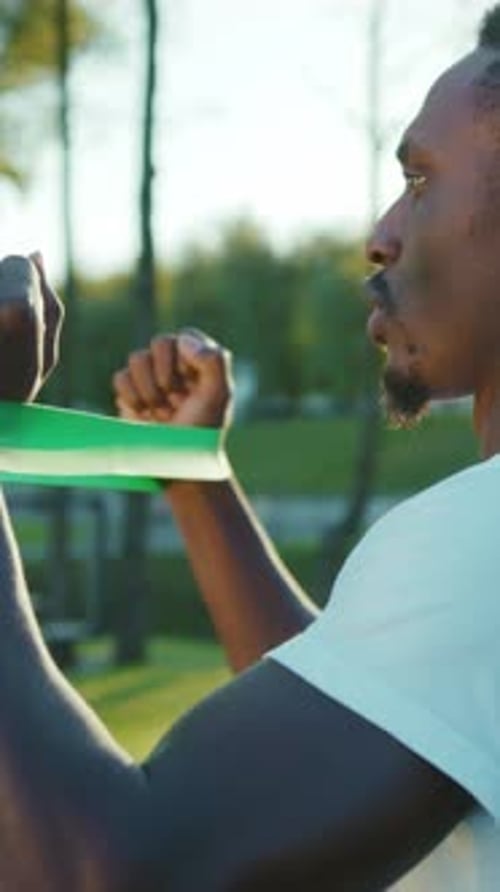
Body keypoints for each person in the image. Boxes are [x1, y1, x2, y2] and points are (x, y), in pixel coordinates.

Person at [3, 5, 500, 890]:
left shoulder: (483, 540)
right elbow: (351, 708)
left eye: (421, 180)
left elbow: (99, 872)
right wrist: (200, 479)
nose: (382, 232)